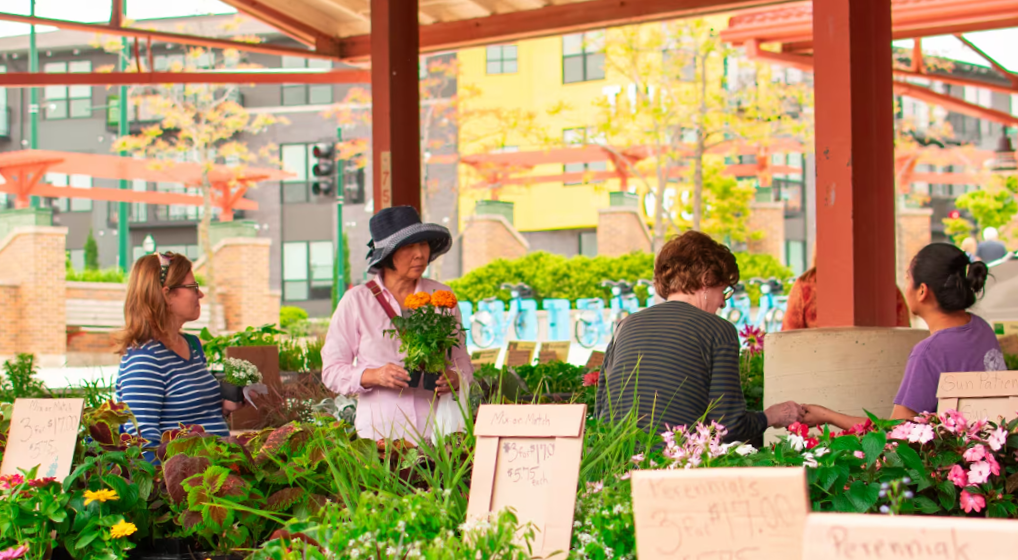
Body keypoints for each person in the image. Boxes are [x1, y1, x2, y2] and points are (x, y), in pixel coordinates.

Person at [595, 231, 804, 443]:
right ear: (707, 279)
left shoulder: (625, 326)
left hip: (615, 464)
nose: (723, 303)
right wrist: (772, 416)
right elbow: (728, 426)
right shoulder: (718, 330)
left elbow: (602, 408)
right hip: (676, 465)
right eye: (724, 291)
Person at [803, 243, 1003, 429]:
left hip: (952, 464)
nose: (905, 287)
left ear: (922, 291)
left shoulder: (928, 353)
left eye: (908, 278)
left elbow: (897, 432)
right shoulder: (981, 328)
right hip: (993, 458)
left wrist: (827, 415)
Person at [322, 206, 473, 440]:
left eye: (423, 244)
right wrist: (374, 375)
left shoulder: (442, 296)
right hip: (380, 434)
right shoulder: (357, 301)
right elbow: (331, 371)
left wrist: (455, 377)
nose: (420, 254)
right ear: (387, 255)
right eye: (409, 246)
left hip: (438, 432)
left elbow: (461, 359)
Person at [115, 252, 241, 446]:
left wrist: (226, 402)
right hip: (183, 474)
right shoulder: (145, 360)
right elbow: (143, 442)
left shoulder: (191, 345)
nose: (200, 294)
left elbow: (196, 413)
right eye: (193, 287)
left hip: (216, 469)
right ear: (167, 295)